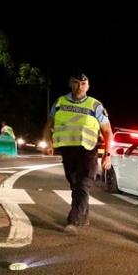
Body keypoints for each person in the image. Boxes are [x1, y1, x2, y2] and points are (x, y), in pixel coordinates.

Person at [43, 71, 114, 234]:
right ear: (70, 84)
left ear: (88, 86)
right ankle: (83, 215)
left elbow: (108, 131)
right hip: (68, 150)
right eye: (76, 83)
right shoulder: (59, 102)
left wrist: (107, 155)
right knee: (75, 184)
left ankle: (73, 221)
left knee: (83, 184)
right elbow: (49, 125)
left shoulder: (95, 105)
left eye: (83, 84)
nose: (79, 86)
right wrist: (49, 143)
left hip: (88, 151)